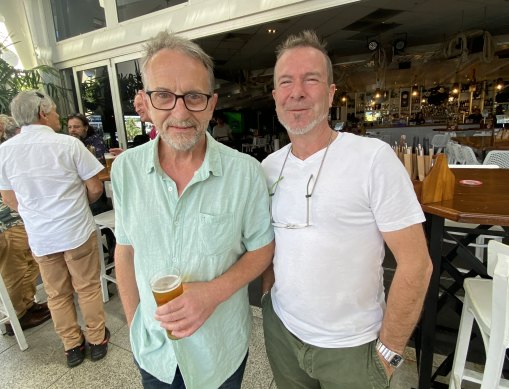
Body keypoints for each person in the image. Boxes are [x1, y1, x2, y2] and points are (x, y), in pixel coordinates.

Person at [260, 30, 432, 389]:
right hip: (283, 335)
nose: (298, 92)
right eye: (286, 82)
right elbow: (270, 245)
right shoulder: (268, 168)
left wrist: (389, 353)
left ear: (332, 92)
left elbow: (417, 264)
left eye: (311, 79)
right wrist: (267, 299)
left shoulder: (372, 159)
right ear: (275, 96)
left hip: (353, 349)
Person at [111, 31, 274, 389]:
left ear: (212, 104)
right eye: (165, 96)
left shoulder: (244, 172)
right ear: (147, 101)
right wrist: (137, 321)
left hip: (219, 350)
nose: (181, 112)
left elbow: (263, 248)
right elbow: (125, 249)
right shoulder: (126, 170)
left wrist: (212, 293)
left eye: (194, 97)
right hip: (153, 351)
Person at [0, 90, 110, 368]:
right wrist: (75, 205)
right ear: (42, 112)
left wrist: (37, 215)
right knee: (86, 287)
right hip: (75, 231)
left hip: (41, 237)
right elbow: (96, 188)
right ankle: (96, 341)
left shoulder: (4, 152)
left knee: (56, 293)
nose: (59, 116)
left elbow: (10, 200)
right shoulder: (70, 145)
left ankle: (72, 347)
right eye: (54, 111)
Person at [0, 115, 51, 336]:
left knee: (30, 263)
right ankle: (17, 317)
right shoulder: (6, 153)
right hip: (7, 222)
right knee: (15, 269)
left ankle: (28, 304)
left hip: (21, 219)